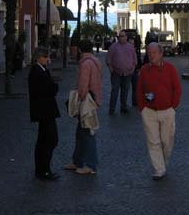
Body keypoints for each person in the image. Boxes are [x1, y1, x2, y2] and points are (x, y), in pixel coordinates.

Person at [137, 42, 182, 180]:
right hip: (149, 111)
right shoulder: (144, 70)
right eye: (149, 53)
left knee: (167, 141)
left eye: (154, 53)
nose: (151, 56)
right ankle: (159, 169)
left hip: (167, 110)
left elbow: (177, 89)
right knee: (153, 141)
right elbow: (139, 90)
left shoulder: (170, 69)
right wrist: (142, 108)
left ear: (161, 53)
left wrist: (173, 106)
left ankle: (162, 162)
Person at [64, 40, 103, 175]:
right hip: (94, 100)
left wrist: (78, 101)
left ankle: (90, 165)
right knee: (81, 133)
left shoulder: (85, 64)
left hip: (87, 102)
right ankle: (77, 161)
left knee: (87, 133)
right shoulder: (96, 61)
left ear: (80, 50)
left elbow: (83, 86)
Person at [28, 47, 61, 181]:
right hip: (44, 111)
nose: (49, 59)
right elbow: (51, 89)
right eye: (46, 57)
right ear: (39, 58)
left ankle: (41, 169)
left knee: (44, 140)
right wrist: (54, 86)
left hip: (44, 110)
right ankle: (44, 170)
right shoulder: (38, 72)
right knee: (50, 140)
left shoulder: (41, 70)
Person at [106, 30, 137, 114]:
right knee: (115, 91)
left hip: (128, 73)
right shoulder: (113, 46)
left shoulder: (130, 47)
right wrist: (110, 68)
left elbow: (134, 59)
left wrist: (133, 68)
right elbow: (108, 58)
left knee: (125, 91)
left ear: (126, 37)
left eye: (123, 36)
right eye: (120, 36)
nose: (121, 38)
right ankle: (112, 109)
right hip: (116, 72)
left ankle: (123, 107)